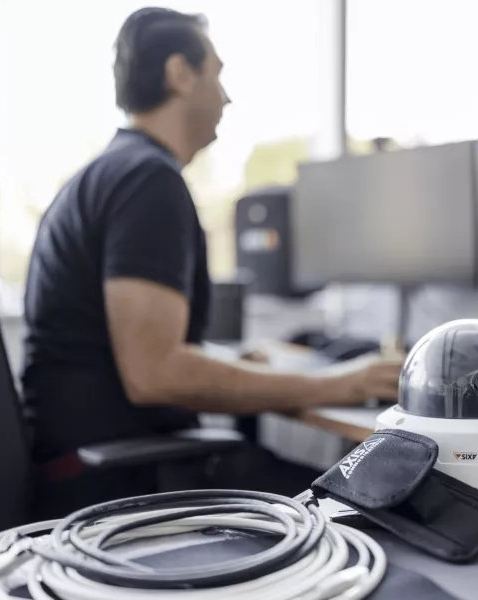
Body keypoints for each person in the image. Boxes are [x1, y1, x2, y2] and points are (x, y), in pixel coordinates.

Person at [22, 7, 402, 516]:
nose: (226, 97)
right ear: (181, 73)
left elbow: (141, 354)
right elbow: (155, 374)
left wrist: (231, 367)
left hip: (87, 467)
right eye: (218, 74)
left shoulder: (112, 171)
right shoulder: (147, 180)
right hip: (114, 484)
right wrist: (342, 383)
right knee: (376, 506)